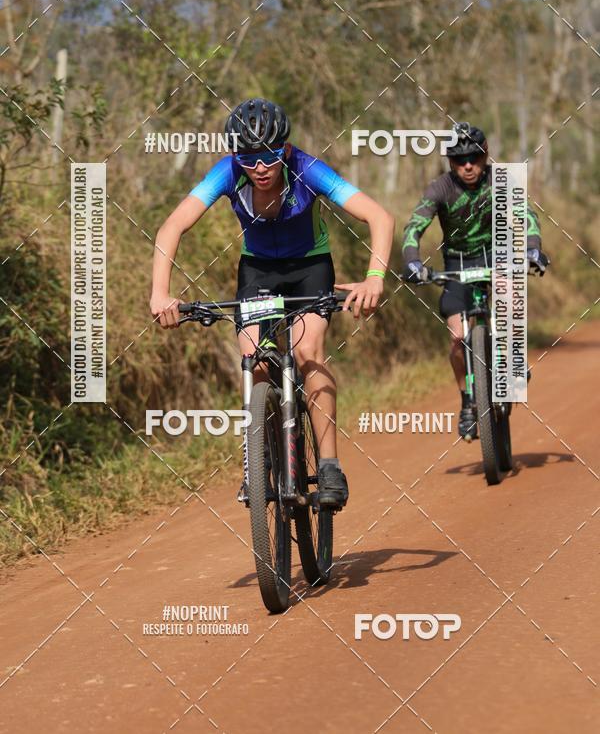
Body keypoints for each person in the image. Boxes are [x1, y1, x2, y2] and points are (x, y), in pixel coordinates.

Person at [150, 98, 395, 508]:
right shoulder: (228, 173)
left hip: (310, 267)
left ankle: (330, 466)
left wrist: (374, 278)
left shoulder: (307, 169)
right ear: (234, 155)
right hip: (259, 271)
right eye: (248, 158)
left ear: (284, 149)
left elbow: (379, 217)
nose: (259, 168)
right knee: (254, 361)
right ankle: (259, 465)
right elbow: (173, 225)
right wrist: (160, 292)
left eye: (268, 156)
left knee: (307, 350)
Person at [401, 122, 548, 440]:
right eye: (459, 160)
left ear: (486, 155)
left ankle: (513, 362)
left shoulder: (502, 180)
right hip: (458, 263)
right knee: (457, 338)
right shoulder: (439, 188)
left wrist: (534, 249)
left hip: (498, 254)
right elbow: (414, 226)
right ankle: (468, 401)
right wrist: (412, 261)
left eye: (474, 157)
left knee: (509, 295)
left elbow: (527, 215)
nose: (468, 165)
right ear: (450, 163)